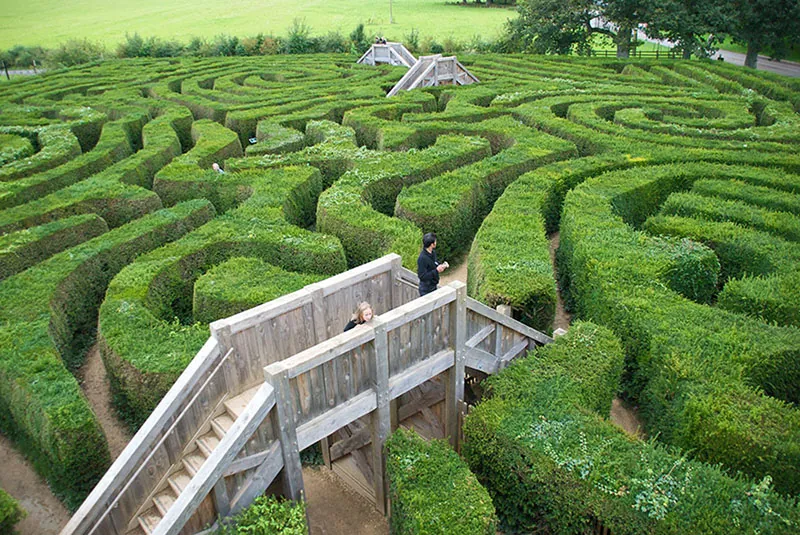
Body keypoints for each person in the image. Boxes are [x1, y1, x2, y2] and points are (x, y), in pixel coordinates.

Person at [417, 232, 448, 296]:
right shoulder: (422, 258)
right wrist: (436, 271)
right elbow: (422, 276)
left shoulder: (433, 253)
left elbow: (434, 263)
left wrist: (441, 266)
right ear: (432, 244)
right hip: (426, 290)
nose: (436, 242)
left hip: (433, 286)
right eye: (435, 241)